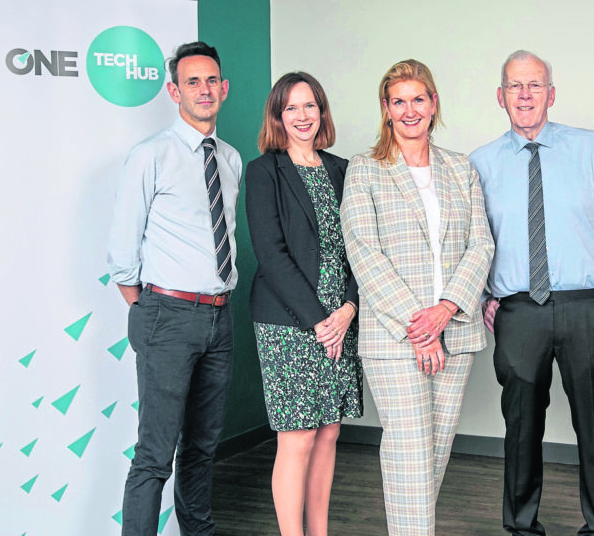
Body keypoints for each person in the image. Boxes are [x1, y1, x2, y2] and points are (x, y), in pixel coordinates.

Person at [470, 50, 594, 536]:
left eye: (535, 85)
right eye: (515, 85)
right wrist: (485, 296)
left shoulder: (591, 148)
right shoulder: (479, 164)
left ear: (552, 93)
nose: (525, 94)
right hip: (517, 312)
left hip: (584, 308)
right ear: (500, 96)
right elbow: (470, 243)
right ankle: (522, 527)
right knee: (521, 429)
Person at [340, 59, 494, 536]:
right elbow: (363, 251)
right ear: (386, 109)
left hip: (456, 331)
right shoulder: (366, 170)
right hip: (395, 336)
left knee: (435, 448)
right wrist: (419, 325)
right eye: (398, 101)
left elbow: (481, 243)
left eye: (418, 99)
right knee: (409, 450)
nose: (410, 110)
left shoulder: (460, 167)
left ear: (433, 104)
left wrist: (445, 311)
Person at [107, 41, 241, 536]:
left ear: (223, 89)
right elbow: (123, 256)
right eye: (192, 82)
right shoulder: (151, 155)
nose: (203, 90)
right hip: (167, 315)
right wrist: (154, 310)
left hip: (219, 318)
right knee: (154, 455)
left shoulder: (229, 159)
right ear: (173, 91)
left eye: (211, 81)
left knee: (202, 448)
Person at [245, 72, 362, 536]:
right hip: (289, 322)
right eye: (291, 108)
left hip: (341, 317)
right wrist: (320, 321)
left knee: (329, 431)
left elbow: (361, 247)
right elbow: (270, 253)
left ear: (322, 112)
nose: (301, 116)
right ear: (277, 115)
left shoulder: (343, 169)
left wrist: (348, 310)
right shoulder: (264, 171)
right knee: (298, 437)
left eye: (309, 106)